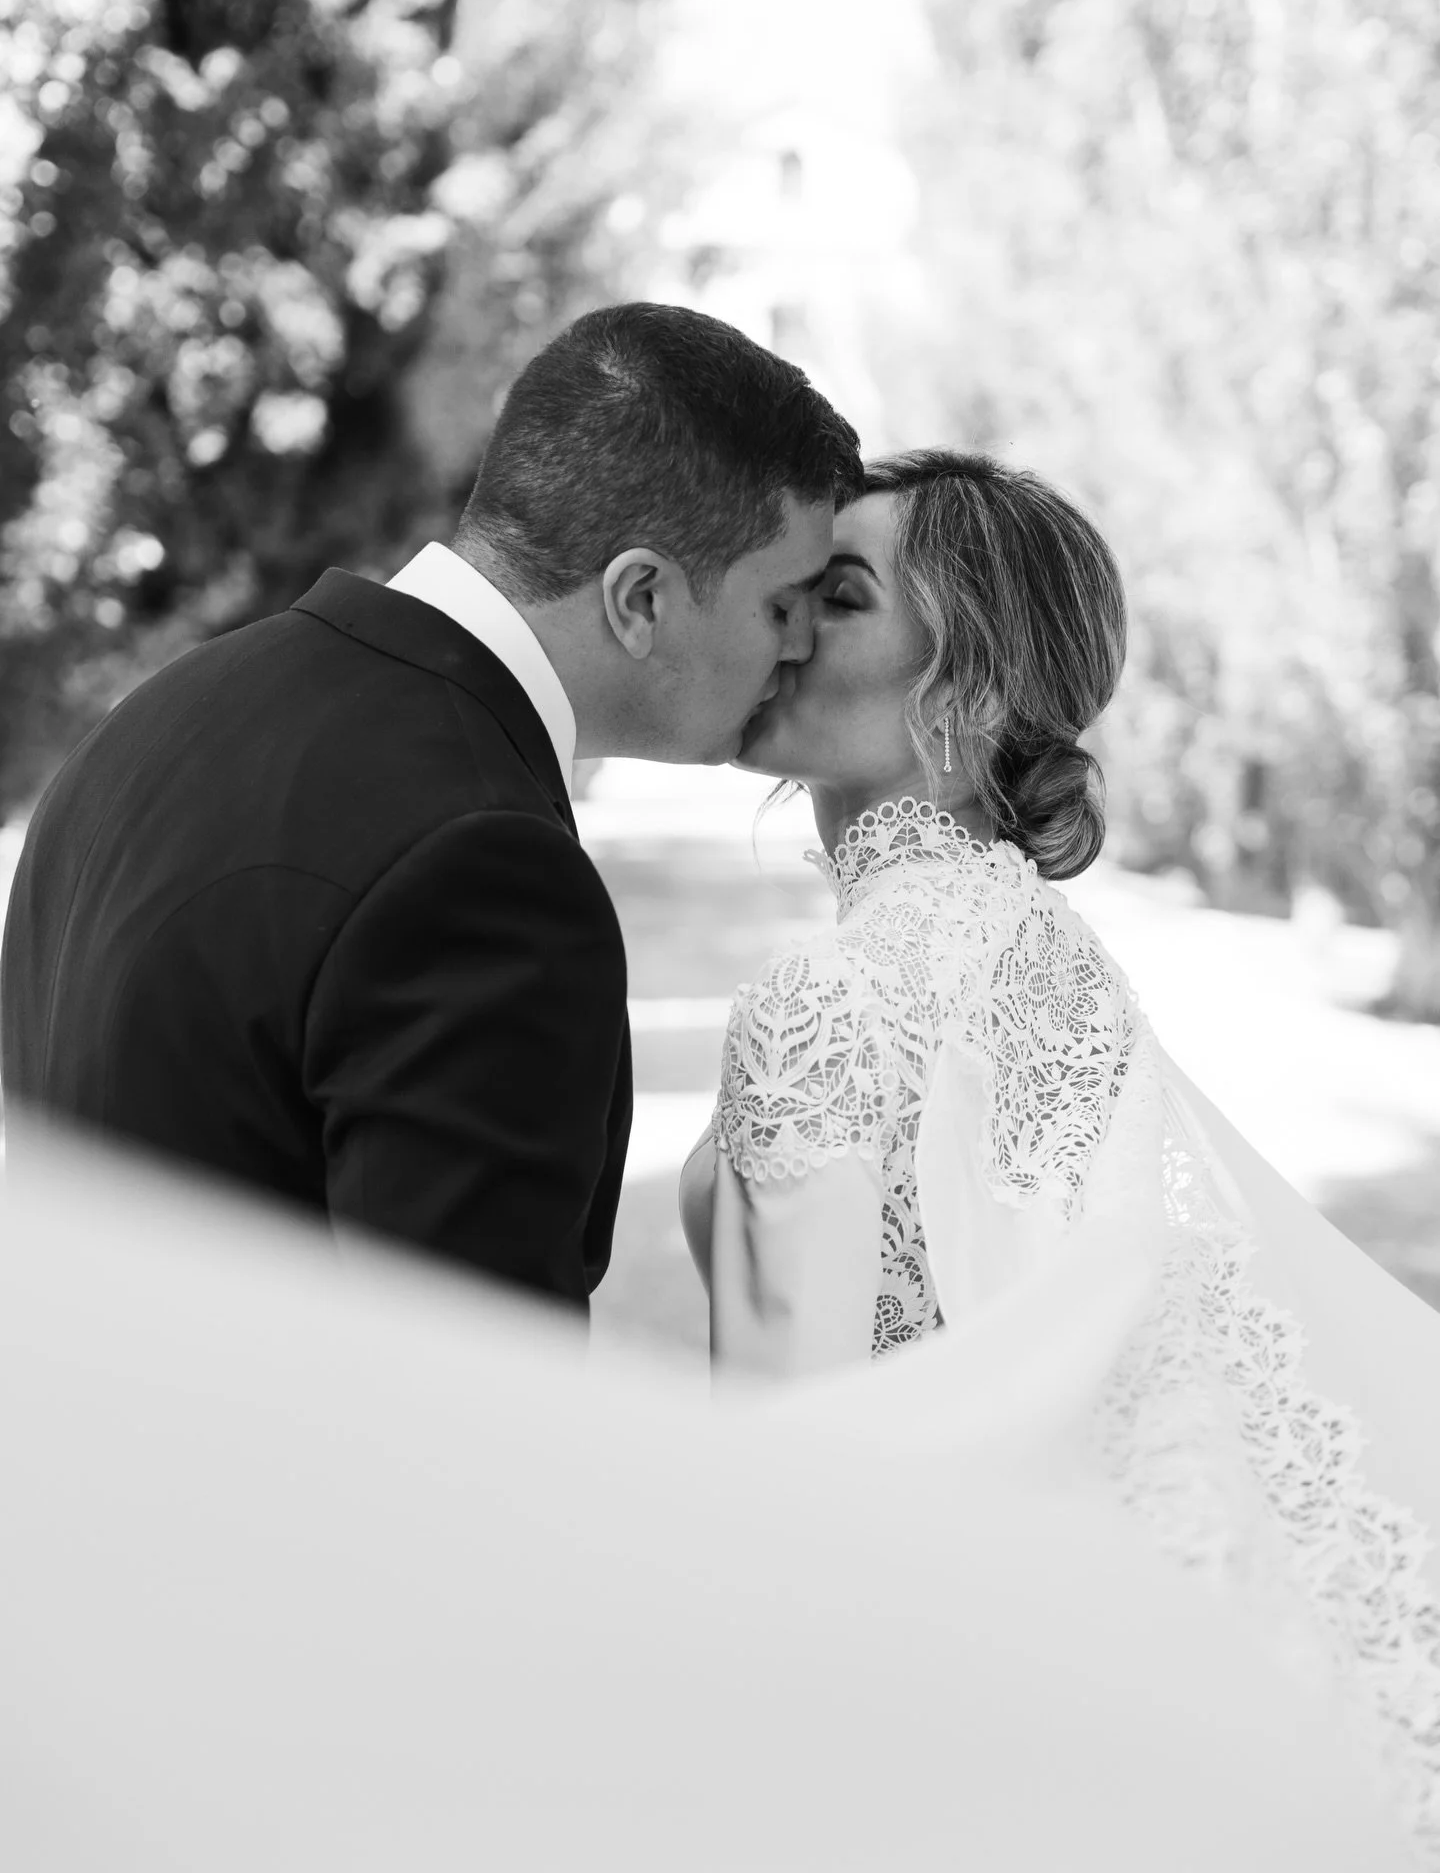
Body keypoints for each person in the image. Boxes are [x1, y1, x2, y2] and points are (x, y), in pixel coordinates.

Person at [680, 448, 1440, 1864]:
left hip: (927, 1715)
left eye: (836, 597)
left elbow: (794, 1485)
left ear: (963, 694)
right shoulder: (1052, 963)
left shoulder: (829, 1002)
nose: (782, 626)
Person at [0, 302, 862, 1309]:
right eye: (782, 605)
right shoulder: (484, 867)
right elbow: (473, 1406)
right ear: (641, 599)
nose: (801, 648)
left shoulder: (162, 713)